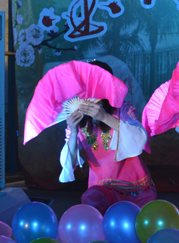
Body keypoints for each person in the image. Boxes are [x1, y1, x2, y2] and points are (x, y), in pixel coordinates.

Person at [61, 61, 156, 214]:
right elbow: (69, 163)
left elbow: (139, 139)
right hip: (101, 193)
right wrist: (72, 132)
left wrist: (105, 117)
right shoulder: (79, 120)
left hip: (134, 190)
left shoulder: (123, 109)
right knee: (91, 200)